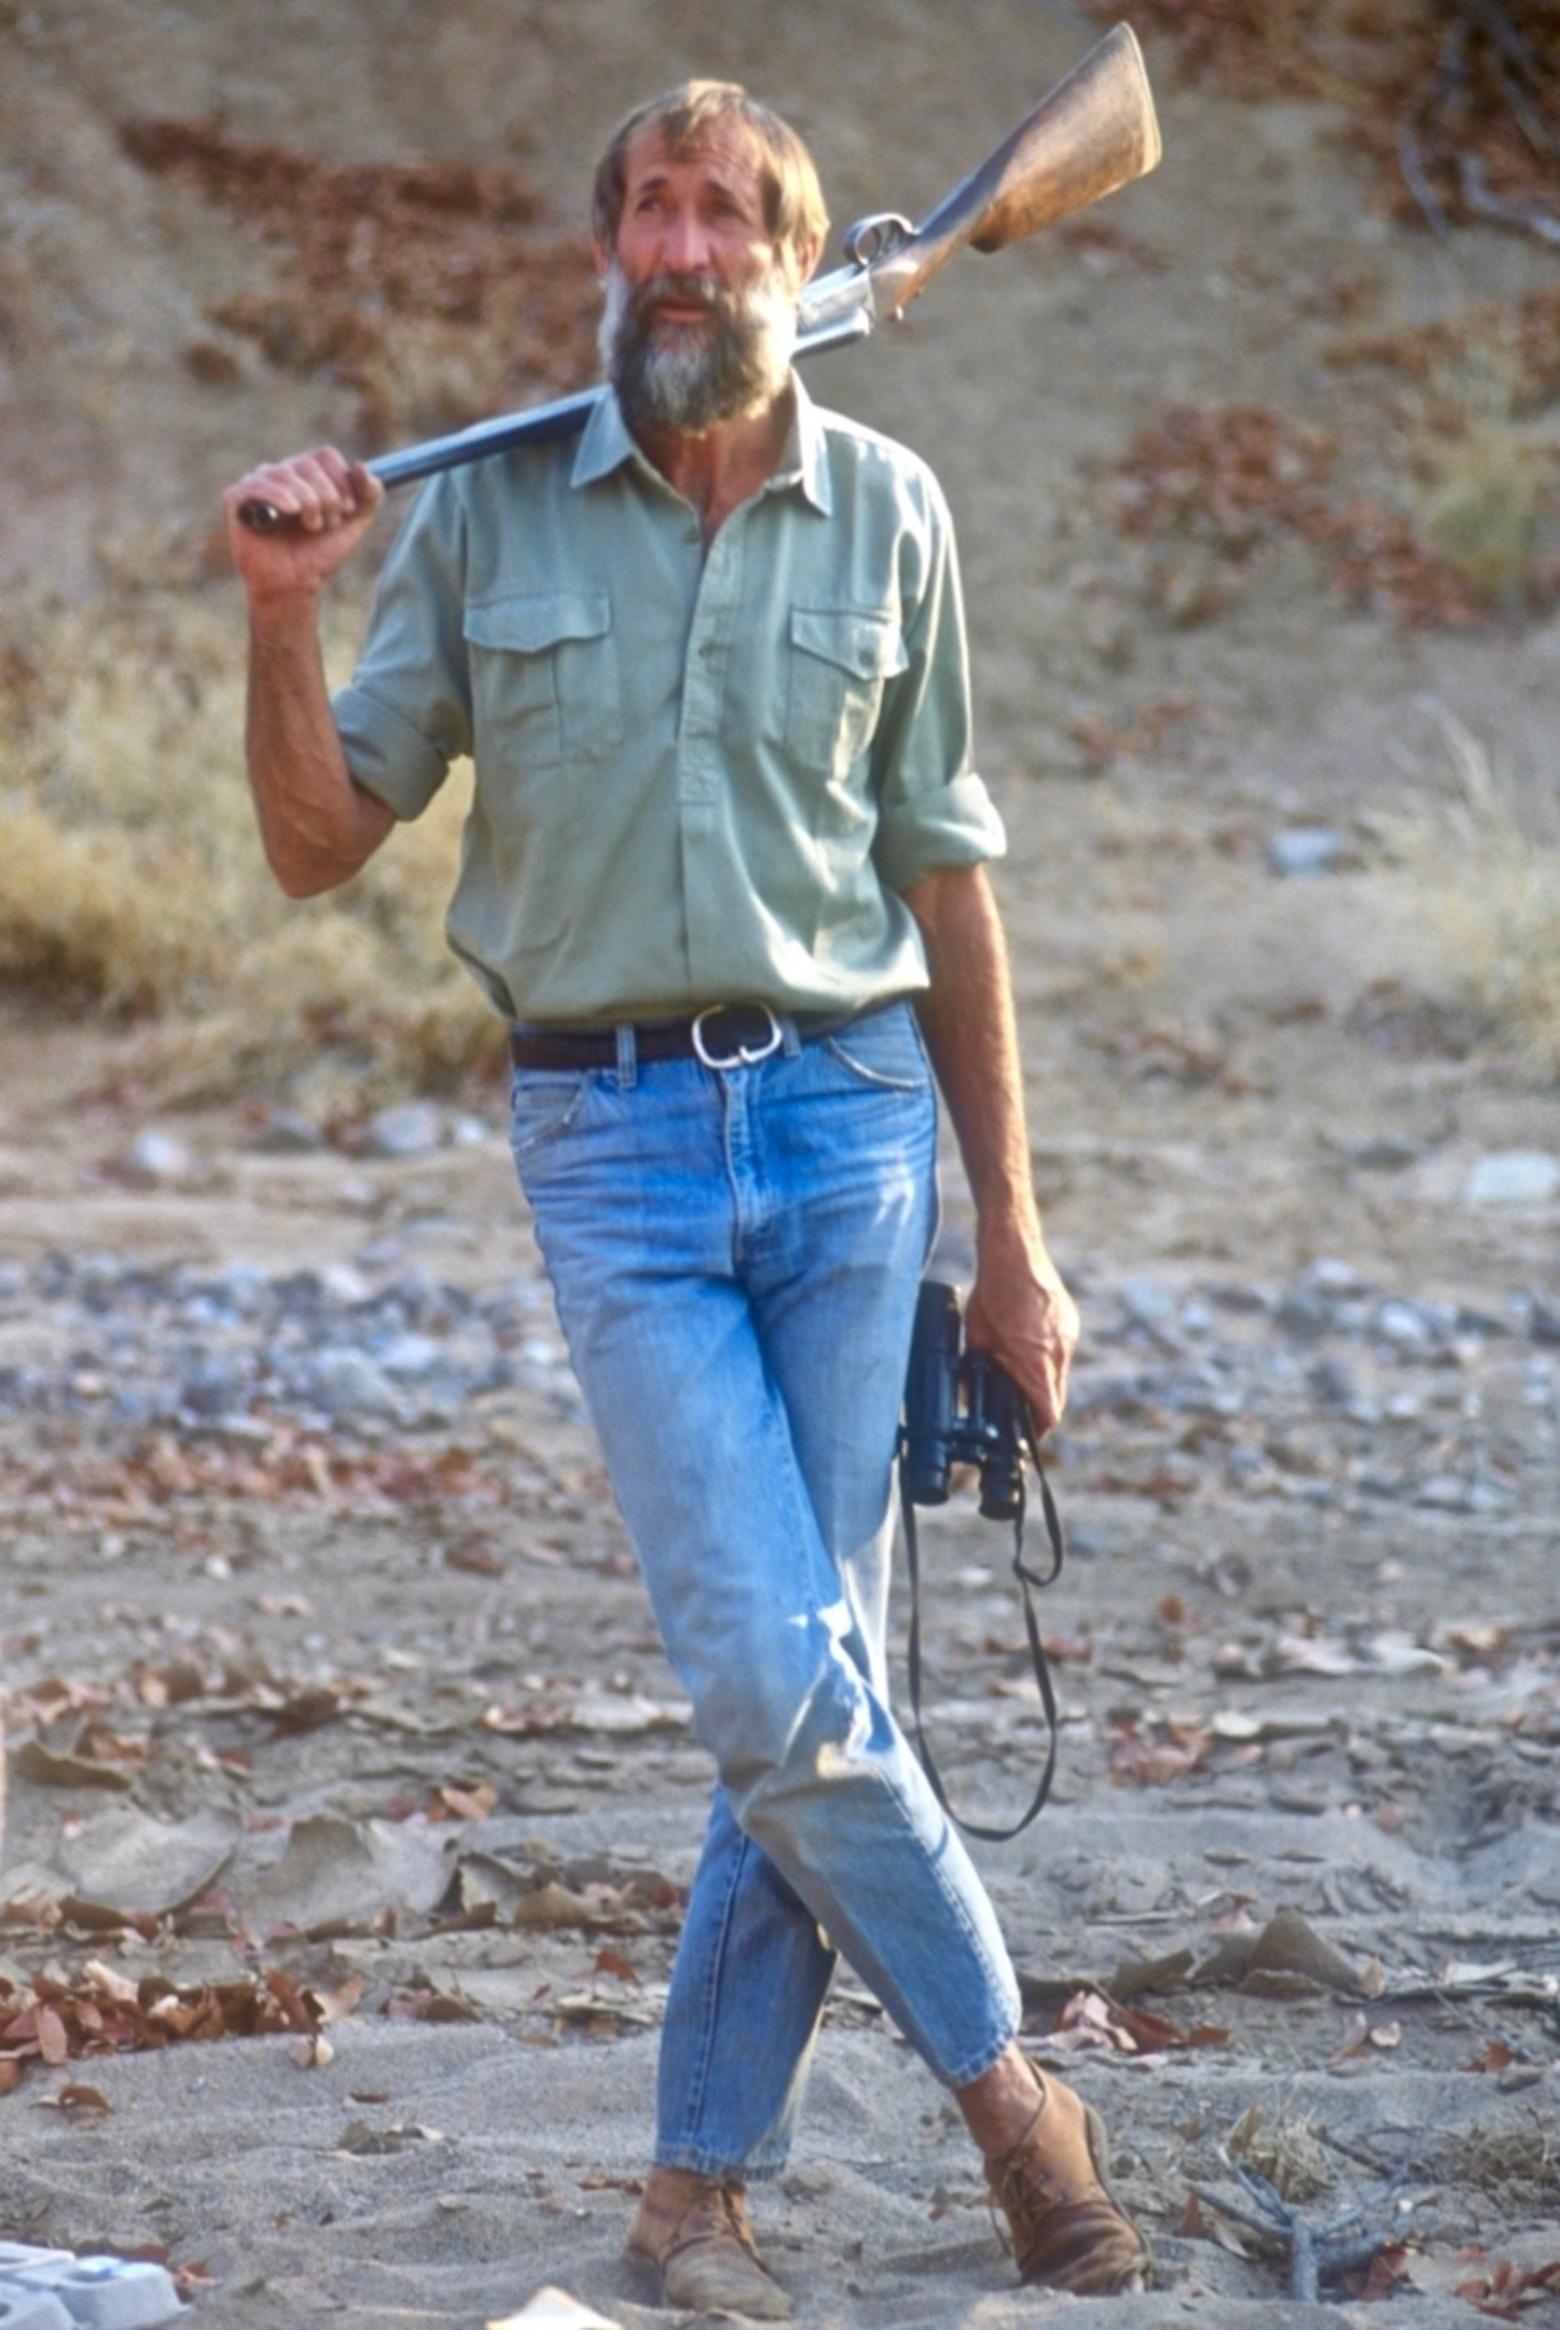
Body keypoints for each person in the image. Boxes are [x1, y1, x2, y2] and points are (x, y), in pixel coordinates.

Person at [223, 78, 1149, 2318]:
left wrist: (1011, 1235)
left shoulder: (891, 513)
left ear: (797, 265)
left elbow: (949, 880)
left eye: (727, 215)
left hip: (850, 1133)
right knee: (778, 1663)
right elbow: (314, 839)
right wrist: (280, 607)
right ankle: (1014, 2093)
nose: (680, 243)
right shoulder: (486, 512)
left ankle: (695, 2200)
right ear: (607, 252)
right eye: (649, 208)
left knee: (793, 1683)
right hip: (613, 1146)